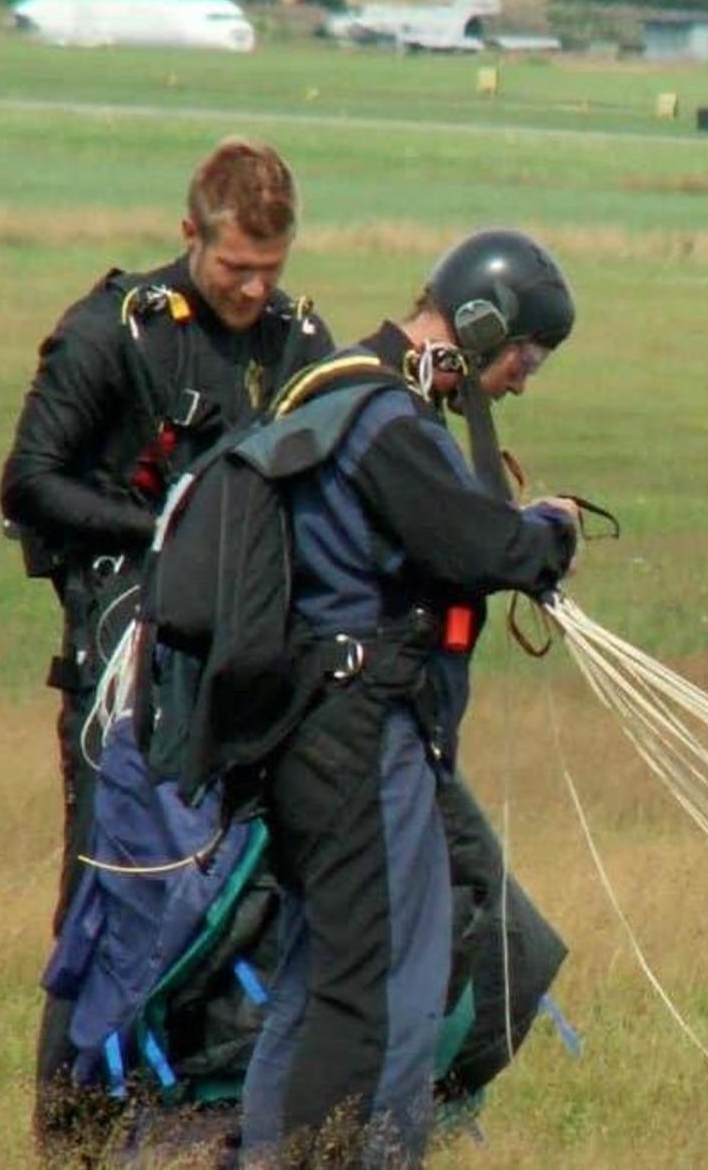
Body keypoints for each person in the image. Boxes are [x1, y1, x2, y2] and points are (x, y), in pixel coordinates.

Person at [0, 135, 335, 1156]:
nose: (253, 288)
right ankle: (73, 1137)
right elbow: (29, 482)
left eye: (270, 270)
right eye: (236, 266)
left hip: (252, 684)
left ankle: (191, 1124)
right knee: (109, 908)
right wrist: (170, 537)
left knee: (239, 907)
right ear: (190, 234)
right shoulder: (113, 333)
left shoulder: (297, 341)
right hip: (124, 688)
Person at [237, 228, 581, 1168]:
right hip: (362, 733)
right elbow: (480, 548)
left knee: (315, 976)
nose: (519, 379)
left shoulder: (345, 388)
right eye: (524, 356)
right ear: (482, 326)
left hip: (314, 731)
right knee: (392, 986)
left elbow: (448, 532)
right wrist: (547, 535)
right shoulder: (384, 416)